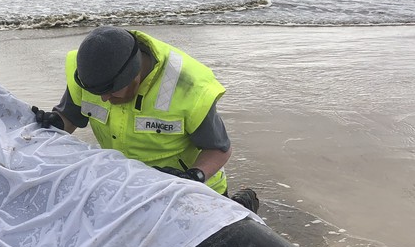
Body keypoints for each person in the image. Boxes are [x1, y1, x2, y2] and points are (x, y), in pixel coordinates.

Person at [31, 26, 258, 211]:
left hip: (197, 189)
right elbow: (69, 116)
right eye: (97, 92)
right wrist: (55, 122)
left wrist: (192, 177)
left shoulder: (189, 88)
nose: (103, 98)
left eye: (111, 92)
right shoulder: (91, 73)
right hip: (131, 187)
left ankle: (243, 202)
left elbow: (219, 149)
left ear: (136, 76)